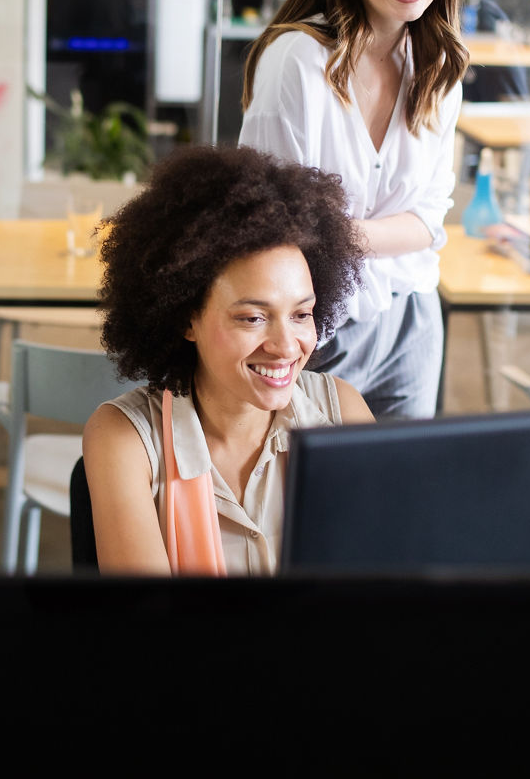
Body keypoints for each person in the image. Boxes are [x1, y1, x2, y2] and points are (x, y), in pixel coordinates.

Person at [238, 0, 467, 420]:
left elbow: (430, 220)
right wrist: (372, 234)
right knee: (303, 499)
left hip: (412, 319)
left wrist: (339, 233)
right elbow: (269, 221)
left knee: (397, 498)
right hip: (313, 323)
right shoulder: (297, 62)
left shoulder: (440, 68)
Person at [83, 145, 372, 575]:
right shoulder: (125, 440)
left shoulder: (341, 413)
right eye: (253, 318)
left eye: (301, 315)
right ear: (186, 320)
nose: (286, 345)